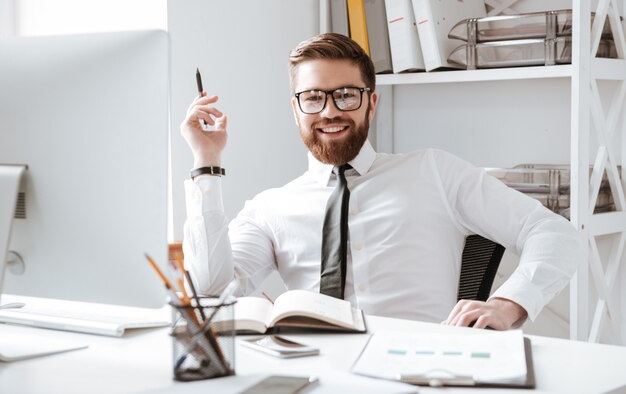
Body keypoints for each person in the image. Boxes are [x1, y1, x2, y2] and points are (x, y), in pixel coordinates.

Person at [180, 33, 581, 330]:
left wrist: (508, 304)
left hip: (419, 372)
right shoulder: (270, 208)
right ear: (296, 109)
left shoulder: (434, 172)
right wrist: (206, 162)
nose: (330, 111)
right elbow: (209, 291)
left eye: (347, 95)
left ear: (372, 101)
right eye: (314, 98)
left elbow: (553, 231)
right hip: (316, 375)